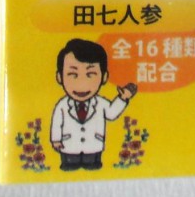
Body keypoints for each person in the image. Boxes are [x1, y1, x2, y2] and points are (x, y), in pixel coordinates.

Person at [50, 38, 137, 170]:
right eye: (72, 74)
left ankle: (91, 163)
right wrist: (56, 140)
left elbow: (112, 113)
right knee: (69, 164)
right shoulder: (62, 105)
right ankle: (70, 164)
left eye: (90, 74)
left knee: (92, 164)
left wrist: (122, 98)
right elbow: (57, 122)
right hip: (69, 145)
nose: (82, 83)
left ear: (104, 77)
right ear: (59, 77)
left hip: (93, 145)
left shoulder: (101, 103)